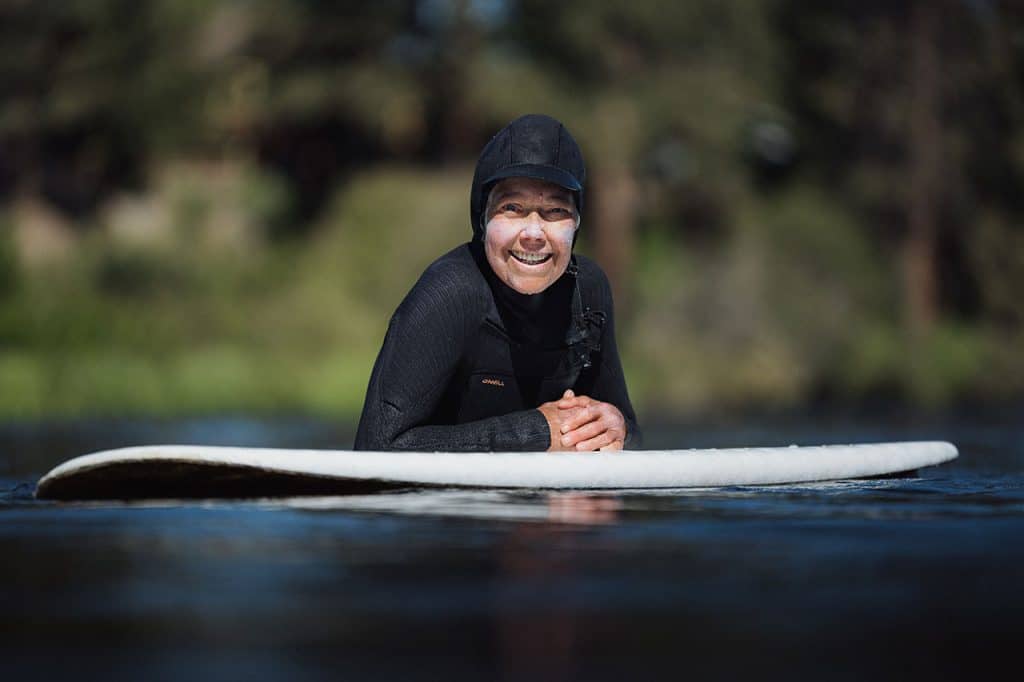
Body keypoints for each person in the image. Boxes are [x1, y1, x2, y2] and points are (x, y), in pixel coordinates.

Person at [354, 114, 640, 452]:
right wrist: (535, 431)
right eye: (513, 208)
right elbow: (376, 448)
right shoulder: (449, 294)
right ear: (482, 219)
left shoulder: (587, 292)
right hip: (437, 505)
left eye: (555, 212)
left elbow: (633, 436)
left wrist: (615, 427)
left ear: (577, 225)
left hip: (543, 504)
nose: (533, 234)